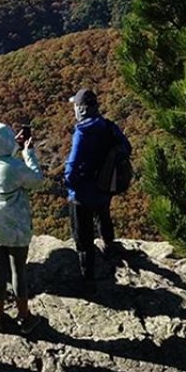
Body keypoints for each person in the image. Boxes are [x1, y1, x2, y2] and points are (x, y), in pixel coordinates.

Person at [0, 122, 44, 334]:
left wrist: (13, 144)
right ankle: (24, 318)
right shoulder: (14, 168)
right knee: (18, 270)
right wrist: (28, 153)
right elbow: (37, 181)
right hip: (14, 228)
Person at [63, 88, 132, 283]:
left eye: (76, 106)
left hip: (81, 193)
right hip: (104, 186)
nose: (74, 110)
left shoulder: (82, 132)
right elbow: (127, 148)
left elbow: (73, 164)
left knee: (83, 237)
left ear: (81, 109)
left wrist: (69, 182)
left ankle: (88, 280)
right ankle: (109, 246)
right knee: (103, 216)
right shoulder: (108, 126)